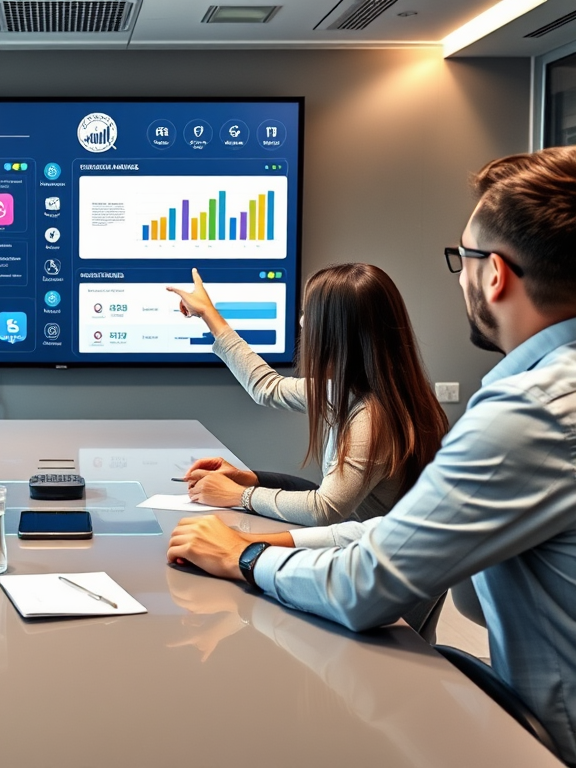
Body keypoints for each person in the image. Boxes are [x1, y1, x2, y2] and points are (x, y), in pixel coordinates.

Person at [167, 146, 576, 764]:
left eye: (461, 259)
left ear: (493, 274)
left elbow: (367, 583)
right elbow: (390, 528)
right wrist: (282, 539)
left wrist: (246, 553)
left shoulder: (531, 413)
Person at [168, 264, 447, 526]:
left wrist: (239, 495)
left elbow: (323, 509)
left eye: (308, 314)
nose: (302, 321)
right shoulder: (347, 390)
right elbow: (268, 387)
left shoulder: (371, 418)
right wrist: (247, 479)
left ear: (337, 333)